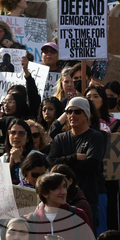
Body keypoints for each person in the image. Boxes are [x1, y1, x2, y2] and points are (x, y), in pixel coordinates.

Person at [46, 97, 106, 227]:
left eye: (77, 111)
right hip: (60, 200)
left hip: (87, 198)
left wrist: (62, 162)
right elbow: (50, 162)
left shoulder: (96, 137)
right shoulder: (60, 138)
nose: (72, 115)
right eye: (69, 112)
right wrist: (74, 157)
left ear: (87, 115)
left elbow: (92, 165)